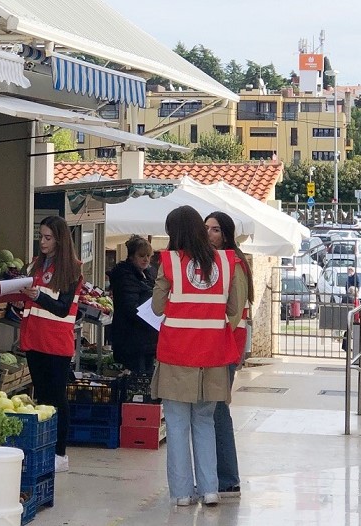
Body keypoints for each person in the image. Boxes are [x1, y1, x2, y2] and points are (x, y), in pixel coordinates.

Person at [151, 205, 242, 507]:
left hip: (177, 353)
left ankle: (181, 493)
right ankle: (210, 489)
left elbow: (157, 307)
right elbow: (234, 310)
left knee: (177, 425)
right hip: (214, 356)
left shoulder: (171, 263)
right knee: (205, 423)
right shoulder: (228, 262)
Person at [19, 216, 82, 472]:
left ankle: (60, 453)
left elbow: (63, 307)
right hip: (33, 338)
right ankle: (45, 447)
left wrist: (38, 296)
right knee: (42, 397)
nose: (42, 242)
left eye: (48, 238)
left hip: (56, 342)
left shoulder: (72, 268)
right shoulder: (35, 264)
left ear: (59, 239)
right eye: (41, 237)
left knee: (57, 398)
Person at [205, 211, 252, 499]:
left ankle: (228, 477)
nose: (208, 234)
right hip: (223, 342)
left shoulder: (233, 263)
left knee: (218, 409)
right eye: (206, 229)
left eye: (215, 230)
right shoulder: (219, 262)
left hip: (227, 343)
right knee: (214, 409)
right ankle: (223, 476)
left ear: (226, 235)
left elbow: (234, 312)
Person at [106, 235, 158, 374]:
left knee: (145, 379)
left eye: (148, 256)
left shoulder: (147, 274)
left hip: (145, 339)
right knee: (137, 380)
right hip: (132, 339)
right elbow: (130, 308)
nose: (146, 259)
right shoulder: (126, 276)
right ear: (132, 256)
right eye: (141, 256)